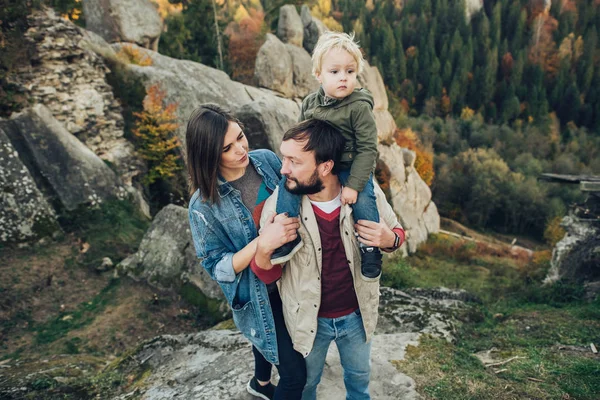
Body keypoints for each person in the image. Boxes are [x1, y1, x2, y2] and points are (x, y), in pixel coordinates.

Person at [252, 119, 406, 400]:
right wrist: (265, 248)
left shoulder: (364, 193)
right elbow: (267, 275)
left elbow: (396, 231)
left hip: (357, 316)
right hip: (308, 321)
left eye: (294, 161)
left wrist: (389, 239)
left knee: (359, 381)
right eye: (283, 157)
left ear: (325, 166)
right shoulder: (279, 204)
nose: (283, 168)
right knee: (307, 386)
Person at [186, 104, 307, 400]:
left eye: (240, 137)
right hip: (258, 293)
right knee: (295, 375)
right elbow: (218, 268)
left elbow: (294, 196)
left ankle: (260, 384)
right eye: (227, 148)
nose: (241, 149)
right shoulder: (202, 206)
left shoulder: (265, 160)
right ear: (210, 156)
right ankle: (267, 385)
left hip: (290, 275)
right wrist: (260, 243)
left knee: (266, 337)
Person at [273, 31, 383, 282]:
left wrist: (353, 185)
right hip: (319, 163)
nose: (343, 78)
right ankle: (286, 234)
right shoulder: (311, 103)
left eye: (350, 71)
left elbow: (368, 149)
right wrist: (295, 164)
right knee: (288, 185)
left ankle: (370, 248)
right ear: (318, 74)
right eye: (335, 72)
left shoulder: (358, 106)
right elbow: (302, 136)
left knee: (365, 198)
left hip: (350, 165)